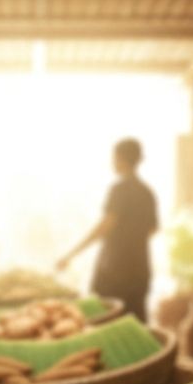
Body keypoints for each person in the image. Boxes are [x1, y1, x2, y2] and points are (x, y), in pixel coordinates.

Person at [56, 138, 158, 322]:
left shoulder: (119, 190)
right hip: (140, 268)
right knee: (136, 324)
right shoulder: (147, 192)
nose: (113, 162)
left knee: (105, 321)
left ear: (121, 159)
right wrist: (134, 240)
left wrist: (70, 255)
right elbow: (153, 229)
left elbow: (105, 226)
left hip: (115, 271)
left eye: (114, 158)